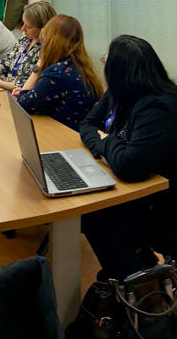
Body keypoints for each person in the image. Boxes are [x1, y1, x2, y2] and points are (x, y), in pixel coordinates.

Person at [79, 35, 177, 281]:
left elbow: (128, 166)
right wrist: (109, 146)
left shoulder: (159, 107)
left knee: (95, 215)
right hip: (133, 188)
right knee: (88, 211)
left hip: (161, 202)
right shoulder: (119, 93)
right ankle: (130, 273)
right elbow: (88, 124)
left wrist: (106, 141)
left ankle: (141, 283)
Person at [13, 15, 103, 132]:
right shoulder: (81, 66)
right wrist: (29, 94)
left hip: (65, 138)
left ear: (52, 41)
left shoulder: (57, 73)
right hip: (79, 134)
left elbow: (23, 105)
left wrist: (38, 66)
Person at [0, 1, 56, 91]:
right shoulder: (24, 39)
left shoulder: (48, 50)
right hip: (6, 88)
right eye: (23, 23)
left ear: (44, 28)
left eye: (29, 27)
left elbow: (30, 85)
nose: (23, 29)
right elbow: (8, 61)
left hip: (20, 94)